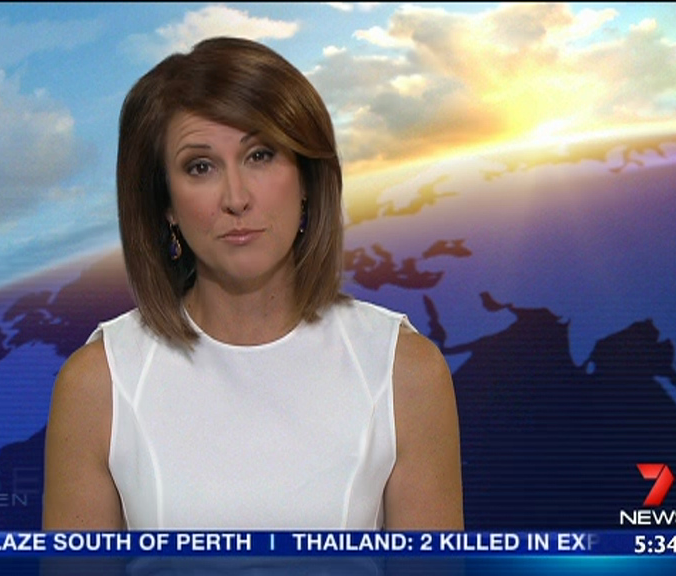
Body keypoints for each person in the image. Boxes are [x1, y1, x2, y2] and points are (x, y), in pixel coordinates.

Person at [43, 36, 463, 531]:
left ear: (307, 179)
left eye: (260, 155)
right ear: (166, 204)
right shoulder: (99, 384)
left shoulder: (404, 372)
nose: (236, 198)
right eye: (201, 167)